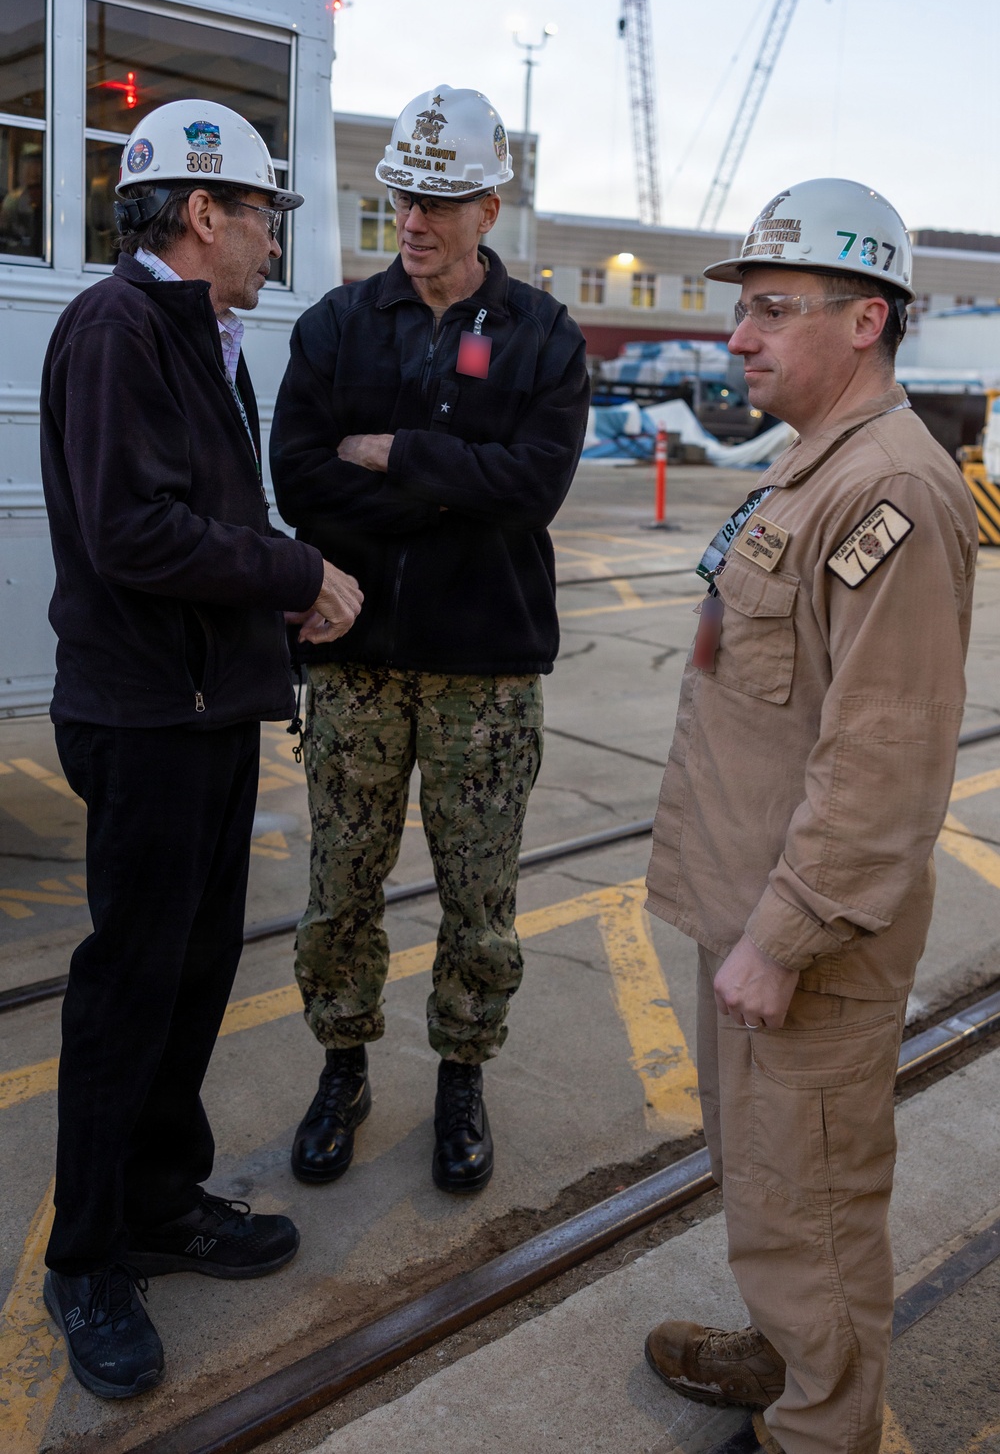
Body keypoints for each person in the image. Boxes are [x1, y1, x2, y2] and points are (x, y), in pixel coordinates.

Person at [642, 178, 978, 1454]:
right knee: (770, 1177)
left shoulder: (890, 493)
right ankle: (785, 1354)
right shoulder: (812, 465)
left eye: (774, 309)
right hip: (747, 906)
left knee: (815, 1202)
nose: (740, 336)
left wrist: (785, 936)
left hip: (805, 941)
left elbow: (884, 756)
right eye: (747, 308)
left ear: (866, 319)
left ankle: (819, 1427)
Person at [39, 99, 362, 1401]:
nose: (275, 239)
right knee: (132, 989)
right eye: (263, 216)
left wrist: (267, 619)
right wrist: (297, 574)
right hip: (143, 717)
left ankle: (162, 1200)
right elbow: (133, 532)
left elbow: (203, 517)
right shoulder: (117, 331)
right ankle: (87, 1258)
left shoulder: (198, 335)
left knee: (192, 976)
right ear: (201, 210)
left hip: (206, 709)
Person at [270, 84, 589, 1195]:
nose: (411, 221)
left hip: (484, 668)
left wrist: (394, 455)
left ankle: (462, 1073)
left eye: (438, 202)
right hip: (355, 660)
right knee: (341, 887)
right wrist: (457, 490)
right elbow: (300, 479)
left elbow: (535, 489)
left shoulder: (544, 336)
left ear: (488, 209)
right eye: (402, 197)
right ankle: (342, 1068)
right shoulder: (336, 325)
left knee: (479, 898)